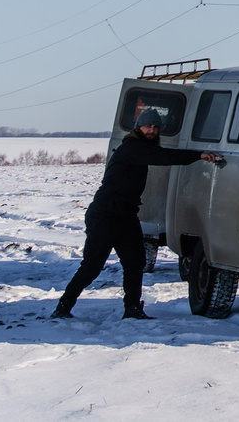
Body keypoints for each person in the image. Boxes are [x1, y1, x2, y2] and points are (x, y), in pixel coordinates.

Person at [54, 101, 218, 319]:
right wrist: (198, 155)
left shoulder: (142, 148)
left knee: (135, 263)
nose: (152, 130)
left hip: (126, 216)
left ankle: (132, 308)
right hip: (104, 215)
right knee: (92, 266)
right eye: (147, 126)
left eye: (155, 127)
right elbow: (164, 157)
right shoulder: (132, 147)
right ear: (138, 128)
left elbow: (159, 154)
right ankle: (64, 306)